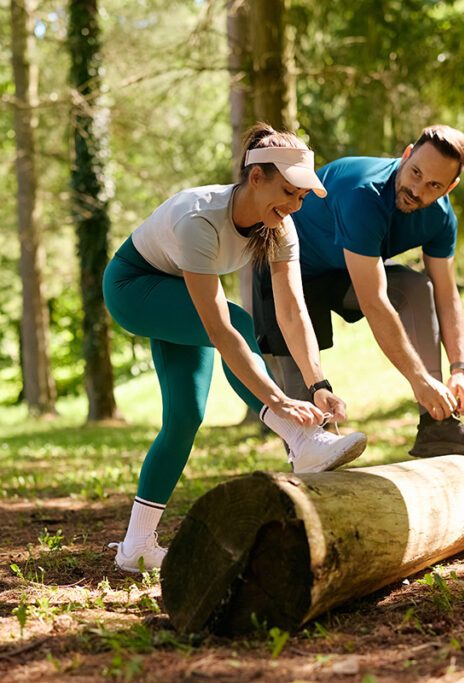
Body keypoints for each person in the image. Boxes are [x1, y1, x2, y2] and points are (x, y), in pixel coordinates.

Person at [102, 123, 367, 573]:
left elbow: (293, 312)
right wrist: (280, 401)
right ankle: (299, 437)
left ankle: (136, 547)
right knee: (239, 321)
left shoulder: (280, 227)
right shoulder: (200, 218)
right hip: (134, 288)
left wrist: (316, 383)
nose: (294, 205)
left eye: (301, 197)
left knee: (185, 417)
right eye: (288, 191)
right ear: (256, 177)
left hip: (178, 295)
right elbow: (223, 330)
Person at [253, 125, 464, 458]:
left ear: (450, 188)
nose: (417, 189)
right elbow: (373, 302)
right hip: (287, 272)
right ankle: (308, 470)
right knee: (307, 414)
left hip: (344, 272)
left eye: (434, 185)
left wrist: (460, 370)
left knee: (416, 287)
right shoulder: (364, 194)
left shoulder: (441, 219)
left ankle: (437, 426)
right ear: (407, 154)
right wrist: (417, 379)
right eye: (415, 173)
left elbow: (446, 294)